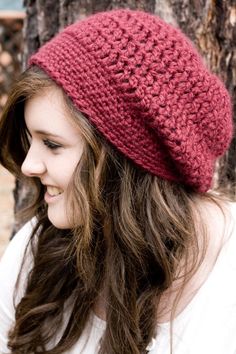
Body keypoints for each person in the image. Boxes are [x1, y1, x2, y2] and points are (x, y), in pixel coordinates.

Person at [0, 8, 235, 354]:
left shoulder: (226, 277)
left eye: (52, 144)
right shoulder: (35, 255)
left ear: (127, 159)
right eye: (31, 140)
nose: (29, 166)